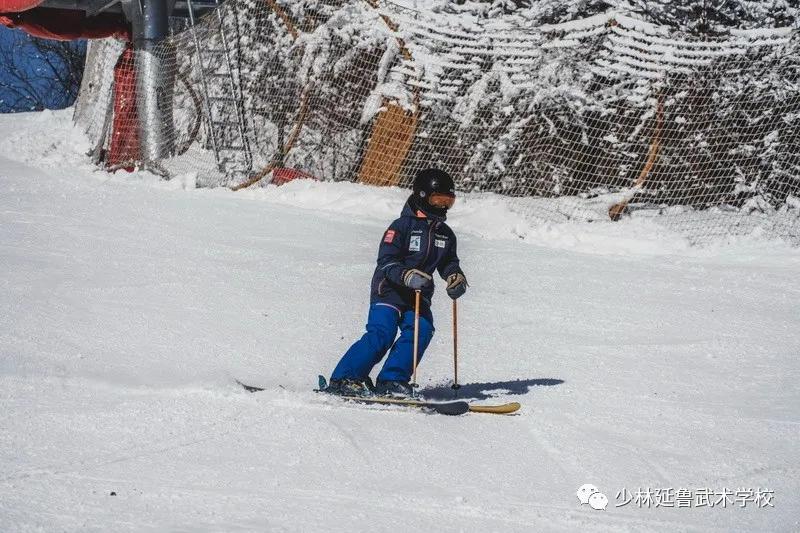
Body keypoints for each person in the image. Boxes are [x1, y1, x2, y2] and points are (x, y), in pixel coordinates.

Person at [325, 168, 468, 398]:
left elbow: (449, 263)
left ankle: (392, 380)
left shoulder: (446, 234)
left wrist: (455, 277)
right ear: (423, 197)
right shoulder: (401, 227)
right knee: (382, 332)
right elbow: (386, 261)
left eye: (448, 202)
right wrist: (405, 275)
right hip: (388, 291)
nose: (442, 207)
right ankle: (345, 377)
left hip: (418, 296)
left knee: (422, 330)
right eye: (438, 200)